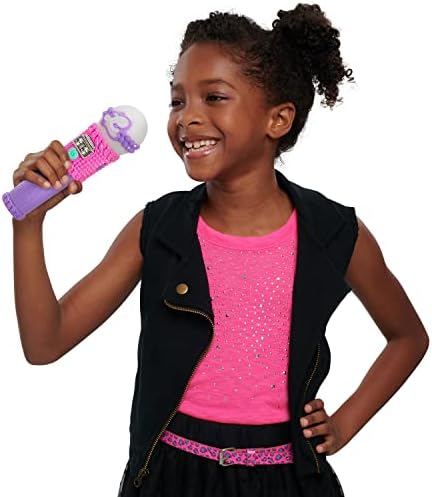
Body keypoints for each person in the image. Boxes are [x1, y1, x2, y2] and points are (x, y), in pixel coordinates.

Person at [11, 4, 429, 497]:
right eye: (177, 100)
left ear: (278, 118)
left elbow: (408, 337)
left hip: (288, 481)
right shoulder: (158, 228)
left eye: (214, 97)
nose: (187, 117)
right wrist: (28, 224)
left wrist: (344, 423)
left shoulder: (334, 232)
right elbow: (45, 343)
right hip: (170, 478)